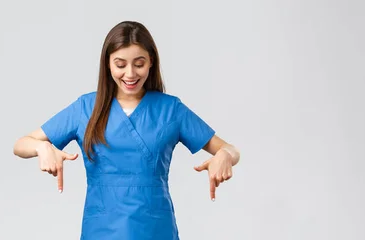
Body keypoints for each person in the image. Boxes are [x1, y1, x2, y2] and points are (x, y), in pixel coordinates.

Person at [13, 20, 240, 240]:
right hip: (101, 230)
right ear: (107, 64)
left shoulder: (170, 110)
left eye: (139, 64)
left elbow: (230, 149)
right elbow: (21, 144)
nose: (130, 74)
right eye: (120, 65)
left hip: (155, 229)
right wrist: (42, 147)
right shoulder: (85, 108)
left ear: (151, 62)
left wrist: (224, 155)